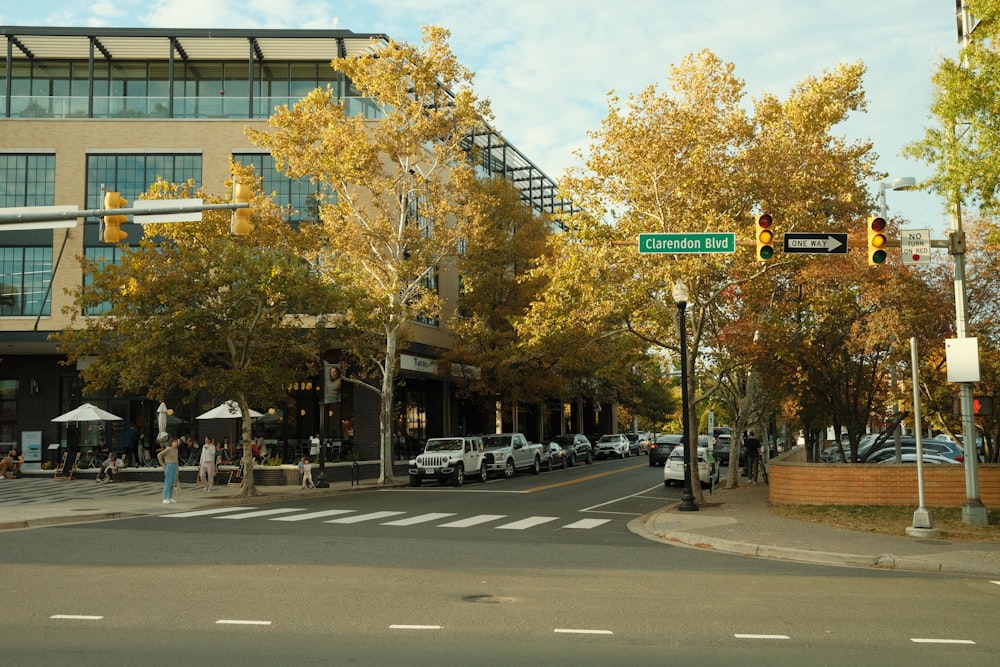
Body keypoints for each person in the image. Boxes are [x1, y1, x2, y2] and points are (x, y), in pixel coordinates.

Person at [157, 438, 179, 504]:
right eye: (174, 442)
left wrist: (177, 469)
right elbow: (159, 455)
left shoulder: (176, 450)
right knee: (168, 482)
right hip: (169, 465)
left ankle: (170, 497)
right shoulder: (168, 449)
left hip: (174, 465)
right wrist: (162, 464)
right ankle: (165, 498)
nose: (176, 443)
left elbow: (176, 459)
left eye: (176, 442)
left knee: (172, 482)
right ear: (171, 443)